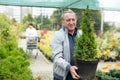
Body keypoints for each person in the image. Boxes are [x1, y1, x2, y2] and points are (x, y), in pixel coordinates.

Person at [50, 10, 81, 80]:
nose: (71, 22)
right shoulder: (58, 35)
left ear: (76, 21)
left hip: (78, 74)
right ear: (63, 22)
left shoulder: (80, 35)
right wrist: (69, 67)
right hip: (63, 76)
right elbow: (57, 57)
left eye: (73, 19)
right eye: (68, 20)